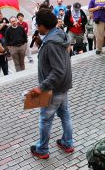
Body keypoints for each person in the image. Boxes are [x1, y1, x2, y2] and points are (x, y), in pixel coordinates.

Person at [30, 8, 74, 159]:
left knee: (45, 120)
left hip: (53, 89)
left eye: (38, 25)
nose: (37, 28)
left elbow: (58, 71)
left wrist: (40, 87)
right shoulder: (58, 34)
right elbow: (57, 57)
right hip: (62, 86)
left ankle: (42, 149)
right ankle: (67, 143)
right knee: (65, 115)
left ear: (43, 26)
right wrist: (40, 43)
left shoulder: (51, 43)